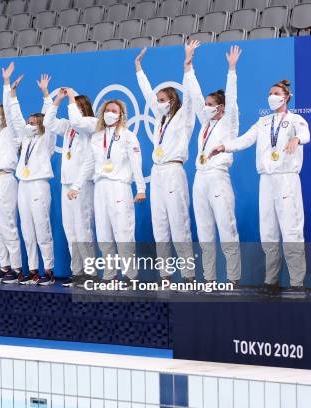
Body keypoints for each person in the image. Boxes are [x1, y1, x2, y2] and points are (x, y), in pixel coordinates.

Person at [209, 79, 310, 293]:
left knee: (291, 231)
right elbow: (245, 140)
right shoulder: (263, 122)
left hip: (286, 179)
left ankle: (296, 283)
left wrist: (296, 140)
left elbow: (306, 134)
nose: (271, 96)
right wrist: (224, 146)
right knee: (268, 232)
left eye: (275, 92)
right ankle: (271, 280)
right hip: (266, 180)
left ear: (286, 97)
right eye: (269, 92)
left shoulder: (295, 119)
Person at [135, 41, 198, 283]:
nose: (158, 102)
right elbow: (147, 94)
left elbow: (191, 98)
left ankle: (189, 275)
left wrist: (188, 66)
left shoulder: (184, 118)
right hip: (158, 172)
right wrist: (139, 68)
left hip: (173, 170)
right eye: (158, 100)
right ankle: (165, 274)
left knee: (179, 223)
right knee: (159, 224)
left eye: (163, 99)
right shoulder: (160, 119)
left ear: (172, 100)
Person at [186, 46, 242, 285]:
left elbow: (232, 96)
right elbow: (196, 95)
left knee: (226, 228)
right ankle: (209, 279)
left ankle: (233, 279)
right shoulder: (205, 122)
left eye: (211, 104)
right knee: (205, 232)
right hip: (200, 178)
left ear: (220, 108)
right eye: (206, 104)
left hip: (218, 177)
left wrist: (231, 70)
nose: (206, 107)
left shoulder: (228, 121)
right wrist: (188, 65)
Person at [4, 63, 57, 285]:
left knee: (42, 227)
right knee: (27, 229)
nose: (29, 125)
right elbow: (15, 118)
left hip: (38, 185)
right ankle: (33, 270)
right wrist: (12, 93)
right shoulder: (25, 138)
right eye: (29, 122)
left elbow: (48, 117)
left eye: (34, 123)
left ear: (41, 125)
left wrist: (46, 94)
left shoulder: (47, 139)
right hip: (23, 185)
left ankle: (48, 270)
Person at [42, 83, 96, 287]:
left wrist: (72, 97)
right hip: (66, 183)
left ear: (84, 110)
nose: (74, 110)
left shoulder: (91, 124)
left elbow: (77, 120)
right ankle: (78, 272)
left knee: (83, 229)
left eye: (78, 107)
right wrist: (57, 100)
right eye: (73, 106)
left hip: (81, 184)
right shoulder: (69, 127)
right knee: (70, 230)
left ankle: (90, 273)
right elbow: (48, 122)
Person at [88, 99, 146, 283]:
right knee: (103, 234)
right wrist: (76, 186)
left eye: (114, 110)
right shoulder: (96, 137)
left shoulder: (128, 136)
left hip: (120, 187)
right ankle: (109, 274)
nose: (110, 113)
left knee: (123, 232)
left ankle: (130, 275)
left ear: (121, 115)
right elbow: (89, 164)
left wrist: (141, 188)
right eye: (107, 110)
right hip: (100, 188)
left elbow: (136, 164)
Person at [0, 64, 23, 284]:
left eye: (1, 115)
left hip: (7, 180)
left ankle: (17, 268)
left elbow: (7, 108)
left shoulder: (14, 132)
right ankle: (4, 265)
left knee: (8, 224)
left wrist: (6, 84)